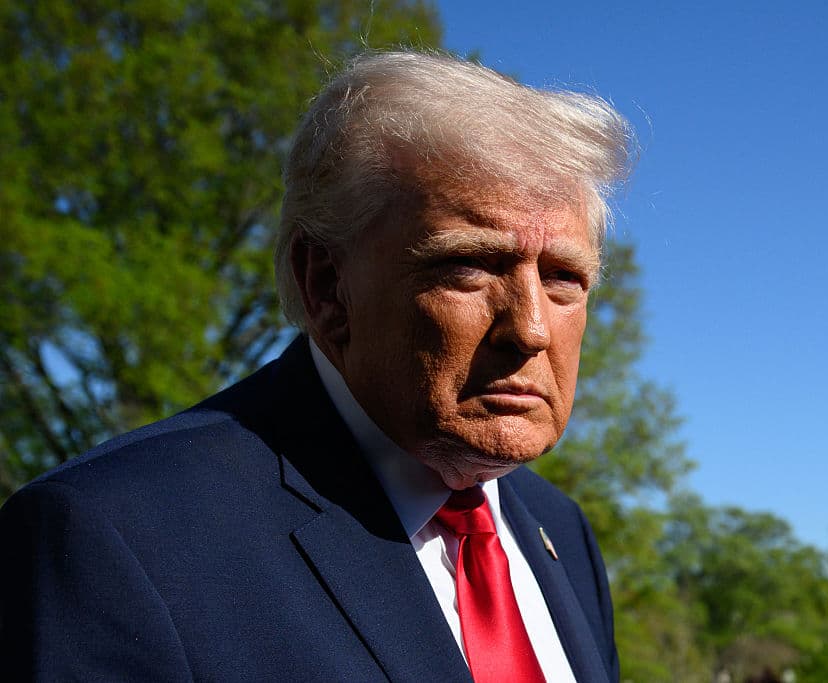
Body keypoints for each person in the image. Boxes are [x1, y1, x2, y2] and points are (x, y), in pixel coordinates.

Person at [0, 51, 633, 682]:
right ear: (327, 285)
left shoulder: (561, 533)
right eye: (468, 266)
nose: (529, 327)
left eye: (564, 278)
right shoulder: (112, 541)